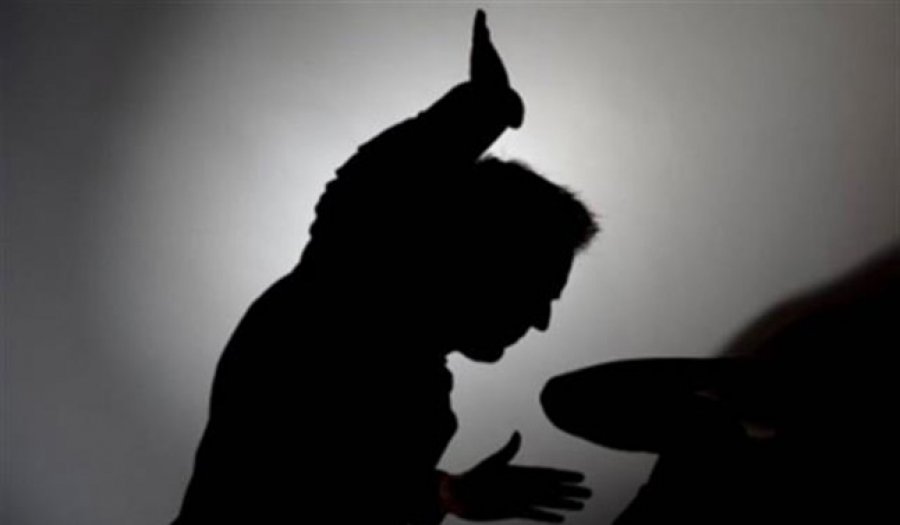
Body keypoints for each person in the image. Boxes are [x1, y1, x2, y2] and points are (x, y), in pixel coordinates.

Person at [173, 11, 598, 525]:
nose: (541, 321)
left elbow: (349, 490)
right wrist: (481, 108)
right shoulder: (334, 300)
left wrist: (446, 496)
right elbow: (365, 192)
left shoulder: (423, 401)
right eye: (538, 291)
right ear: (483, 258)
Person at [540, 242, 899, 523]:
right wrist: (729, 375)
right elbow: (567, 397)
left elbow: (565, 397)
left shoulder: (714, 444)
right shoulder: (711, 441)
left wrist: (728, 374)